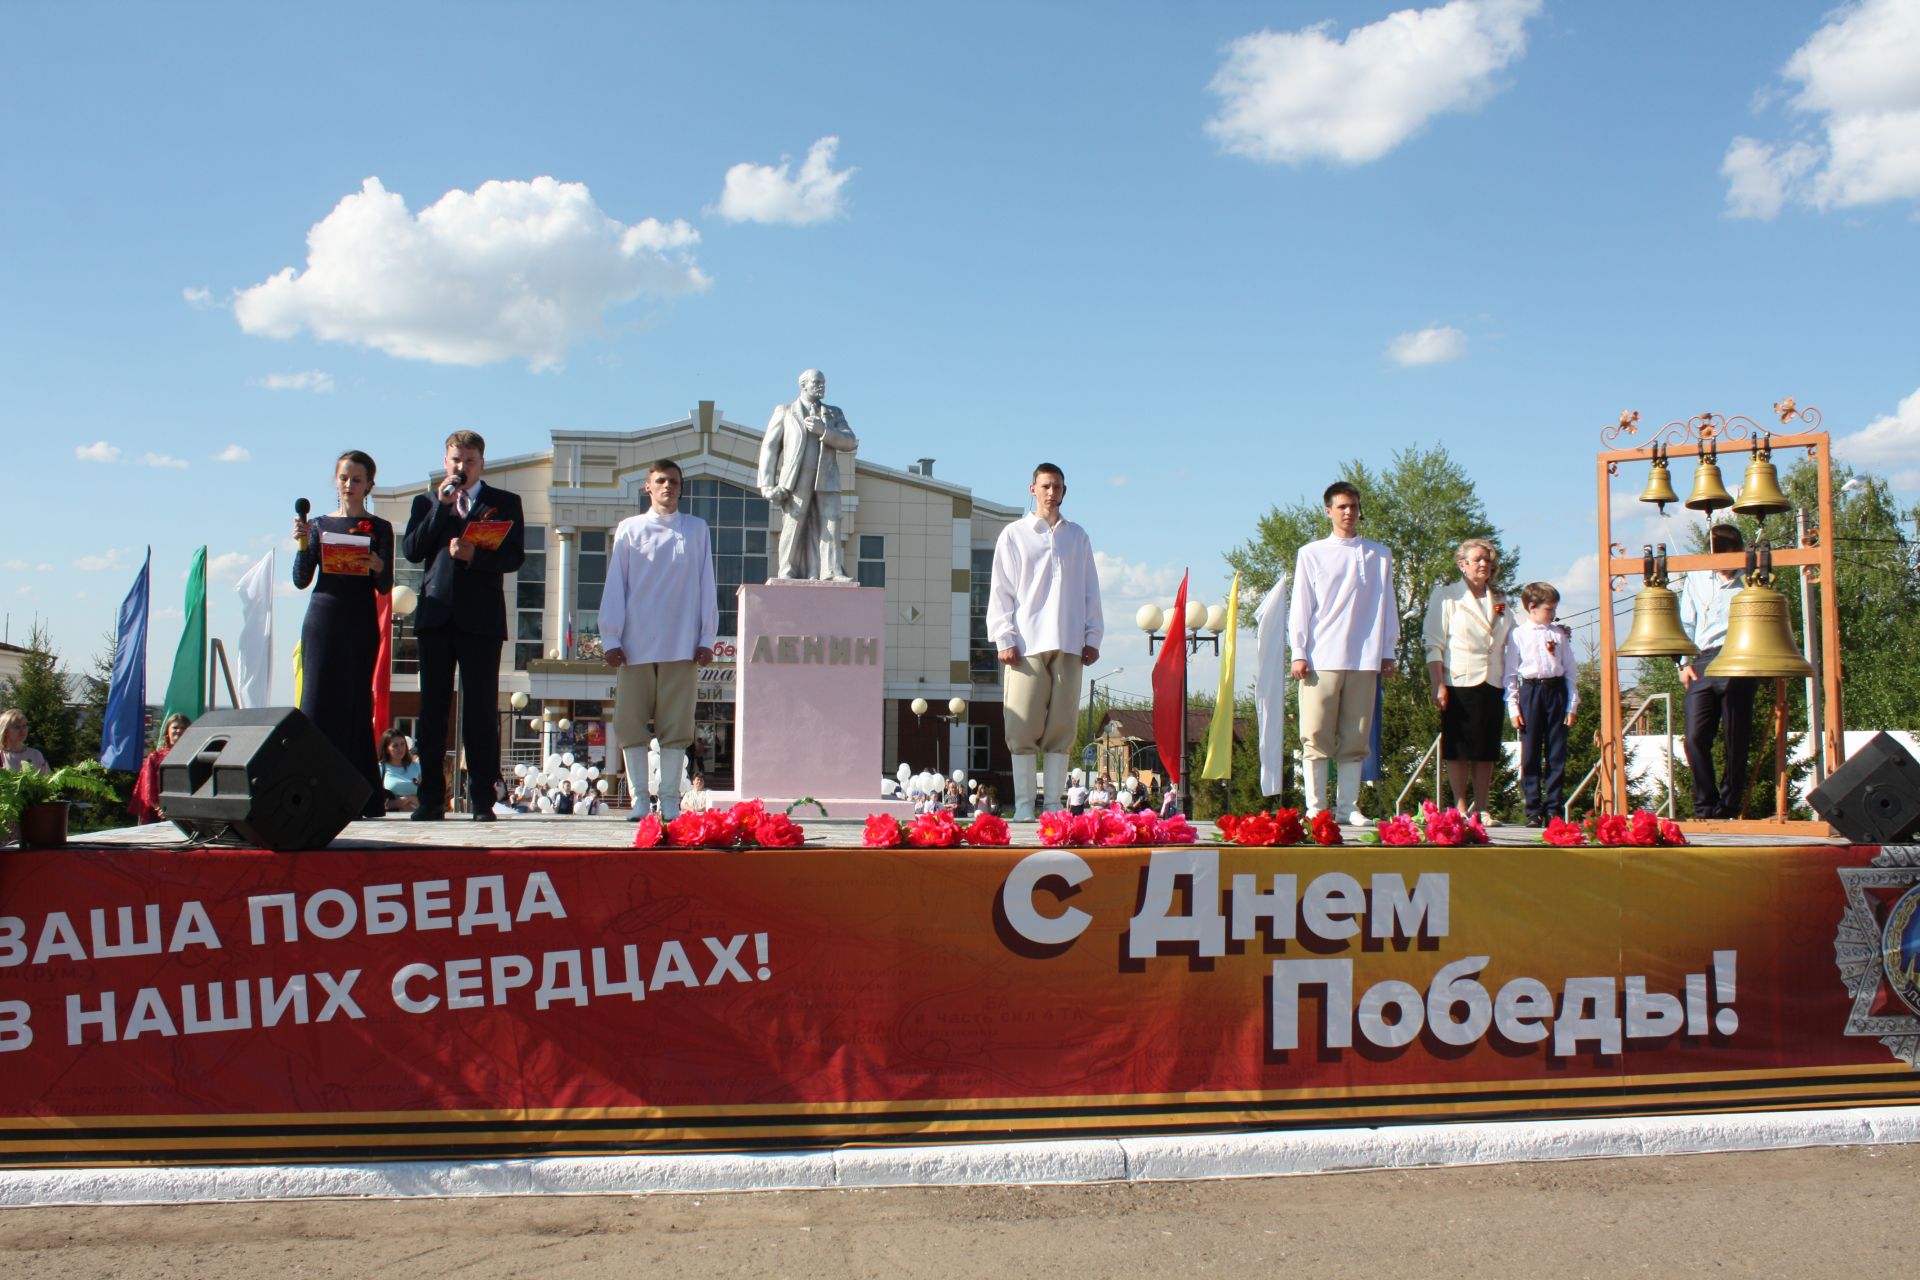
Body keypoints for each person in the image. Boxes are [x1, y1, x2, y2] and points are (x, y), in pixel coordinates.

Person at [403, 430, 525, 822]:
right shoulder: (426, 502)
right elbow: (412, 549)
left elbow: (514, 557)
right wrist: (441, 508)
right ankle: (431, 799)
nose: (462, 467)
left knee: (480, 713)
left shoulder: (504, 502)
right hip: (436, 618)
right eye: (456, 460)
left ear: (481, 463)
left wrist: (475, 556)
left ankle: (481, 800)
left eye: (469, 460)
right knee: (433, 711)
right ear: (445, 462)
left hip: (481, 621)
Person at [601, 460, 718, 824]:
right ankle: (640, 801)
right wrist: (610, 637)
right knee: (630, 725)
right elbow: (615, 585)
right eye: (661, 481)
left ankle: (668, 799)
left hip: (681, 644)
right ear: (647, 488)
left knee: (676, 726)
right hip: (634, 647)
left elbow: (707, 585)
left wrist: (706, 637)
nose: (668, 486)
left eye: (674, 482)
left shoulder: (696, 530)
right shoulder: (629, 529)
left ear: (681, 488)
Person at [987, 463, 1104, 819]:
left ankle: (1053, 804)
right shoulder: (1014, 534)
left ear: (1064, 491)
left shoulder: (1077, 535)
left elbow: (1090, 589)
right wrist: (1004, 637)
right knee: (1021, 725)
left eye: (1057, 487)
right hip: (1025, 644)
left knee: (1062, 727)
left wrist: (1092, 635)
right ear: (1032, 489)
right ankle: (1024, 806)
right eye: (1046, 486)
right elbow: (1001, 590)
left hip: (1069, 640)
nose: (1052, 493)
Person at [1288, 481, 1399, 824]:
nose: (1349, 513)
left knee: (1356, 736)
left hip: (1364, 658)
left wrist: (1387, 650)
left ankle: (1348, 806)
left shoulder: (1379, 554)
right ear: (1328, 511)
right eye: (1342, 507)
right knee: (1316, 733)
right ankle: (1318, 808)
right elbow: (1301, 605)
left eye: (1353, 506)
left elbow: (1388, 604)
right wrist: (1299, 651)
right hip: (1321, 658)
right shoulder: (1312, 553)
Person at [292, 450, 394, 819]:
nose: (349, 485)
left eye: (356, 479)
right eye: (344, 478)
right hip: (323, 616)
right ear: (336, 481)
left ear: (369, 484)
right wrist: (303, 543)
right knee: (316, 701)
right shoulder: (318, 524)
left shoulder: (380, 527)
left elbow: (385, 586)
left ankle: (360, 794)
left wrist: (379, 564)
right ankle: (309, 790)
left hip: (359, 619)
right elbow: (302, 579)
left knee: (354, 703)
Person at [1422, 538, 1516, 822]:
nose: (1484, 564)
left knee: (1487, 747)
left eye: (1487, 559)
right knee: (1460, 747)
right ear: (1463, 565)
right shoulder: (1447, 595)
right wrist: (1438, 682)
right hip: (1459, 679)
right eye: (1477, 559)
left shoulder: (1500, 598)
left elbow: (1515, 636)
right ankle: (1461, 807)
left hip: (1493, 678)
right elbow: (1434, 643)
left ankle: (1483, 807)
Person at [1679, 523, 1760, 819]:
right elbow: (1685, 622)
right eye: (1719, 558)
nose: (1725, 567)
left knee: (1735, 739)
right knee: (1695, 737)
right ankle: (1705, 805)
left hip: (1739, 658)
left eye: (1731, 559)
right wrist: (1682, 663)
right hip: (1702, 661)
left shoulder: (1753, 579)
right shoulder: (1697, 577)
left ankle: (1727, 807)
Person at [757, 368, 859, 580]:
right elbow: (770, 447)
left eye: (823, 382)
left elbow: (850, 442)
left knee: (831, 521)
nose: (821, 386)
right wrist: (767, 485)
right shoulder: (785, 411)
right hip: (796, 478)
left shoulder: (834, 413)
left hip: (826, 477)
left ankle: (831, 571)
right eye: (816, 382)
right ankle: (787, 571)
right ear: (803, 385)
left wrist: (824, 431)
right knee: (795, 521)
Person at [1503, 582, 1580, 826]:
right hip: (1531, 692)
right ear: (1532, 607)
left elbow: (1570, 671)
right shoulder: (1517, 635)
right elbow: (1511, 674)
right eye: (1549, 609)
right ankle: (1533, 809)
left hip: (1556, 692)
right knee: (1531, 753)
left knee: (1556, 753)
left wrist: (1572, 705)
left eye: (1555, 609)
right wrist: (1513, 707)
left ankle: (1555, 809)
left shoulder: (1558, 634)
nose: (1553, 614)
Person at [128, 713, 190, 824]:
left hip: (187, 813)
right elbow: (148, 788)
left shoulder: (194, 756)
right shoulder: (155, 757)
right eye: (175, 727)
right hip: (157, 815)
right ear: (167, 731)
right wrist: (159, 808)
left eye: (183, 728)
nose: (179, 731)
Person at [378, 729, 421, 813]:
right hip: (391, 820)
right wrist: (398, 803)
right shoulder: (380, 768)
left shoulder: (416, 767)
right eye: (395, 746)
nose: (400, 749)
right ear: (386, 749)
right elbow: (376, 800)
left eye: (402, 744)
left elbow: (427, 797)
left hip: (418, 817)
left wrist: (409, 799)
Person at [0, 709, 48, 775]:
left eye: (24, 726)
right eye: (17, 727)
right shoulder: (2, 756)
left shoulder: (35, 755)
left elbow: (48, 781)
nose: (22, 730)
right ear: (5, 731)